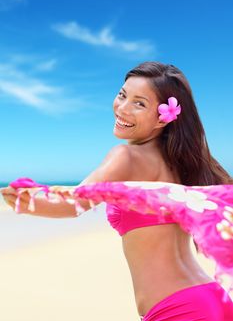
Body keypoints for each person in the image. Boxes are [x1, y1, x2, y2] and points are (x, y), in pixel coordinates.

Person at [2, 62, 233, 320]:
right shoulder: (182, 163)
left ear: (163, 117)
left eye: (139, 103)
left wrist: (17, 199)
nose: (122, 108)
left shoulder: (126, 157)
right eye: (123, 95)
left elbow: (72, 203)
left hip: (180, 309)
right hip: (210, 299)